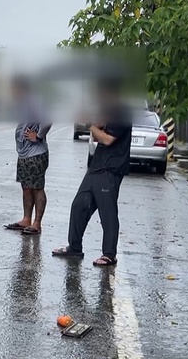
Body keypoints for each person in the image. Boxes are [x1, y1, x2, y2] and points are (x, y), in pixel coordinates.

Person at [52, 78, 132, 267]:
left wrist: (89, 124)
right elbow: (101, 127)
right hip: (96, 166)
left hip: (110, 170)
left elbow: (107, 139)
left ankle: (109, 254)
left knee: (107, 212)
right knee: (79, 204)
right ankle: (74, 247)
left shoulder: (121, 111)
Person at [5, 76, 51, 235]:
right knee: (26, 187)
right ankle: (26, 219)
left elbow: (47, 120)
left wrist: (37, 136)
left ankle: (37, 223)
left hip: (36, 154)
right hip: (25, 154)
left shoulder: (34, 102)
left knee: (37, 188)